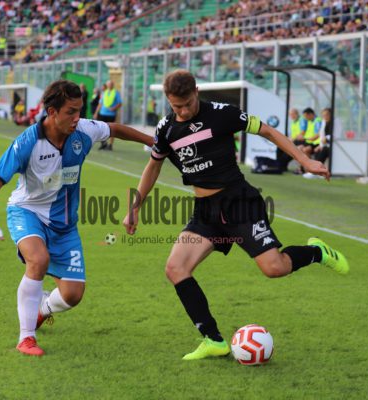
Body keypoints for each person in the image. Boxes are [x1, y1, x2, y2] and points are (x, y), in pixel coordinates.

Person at [122, 70, 349, 361]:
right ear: (168, 99)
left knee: (274, 268)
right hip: (206, 211)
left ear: (197, 92)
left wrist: (305, 160)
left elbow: (267, 131)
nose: (183, 111)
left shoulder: (223, 114)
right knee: (175, 268)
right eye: (176, 106)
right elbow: (153, 165)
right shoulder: (166, 128)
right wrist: (135, 206)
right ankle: (213, 340)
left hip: (239, 202)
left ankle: (317, 252)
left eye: (188, 104)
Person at [0, 80, 154, 357]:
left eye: (79, 110)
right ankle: (26, 337)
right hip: (27, 212)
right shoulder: (28, 141)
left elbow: (115, 129)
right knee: (38, 260)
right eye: (71, 112)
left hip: (64, 225)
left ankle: (42, 308)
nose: (77, 118)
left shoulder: (84, 130)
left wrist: (152, 142)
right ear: (52, 112)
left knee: (73, 294)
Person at [94, 80, 122, 151]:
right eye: (108, 84)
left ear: (113, 85)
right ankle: (103, 143)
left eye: (111, 84)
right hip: (102, 113)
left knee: (112, 130)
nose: (109, 85)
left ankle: (110, 145)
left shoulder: (116, 93)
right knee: (101, 129)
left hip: (111, 115)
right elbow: (100, 104)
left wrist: (114, 108)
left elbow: (120, 103)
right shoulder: (104, 93)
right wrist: (96, 113)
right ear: (107, 85)